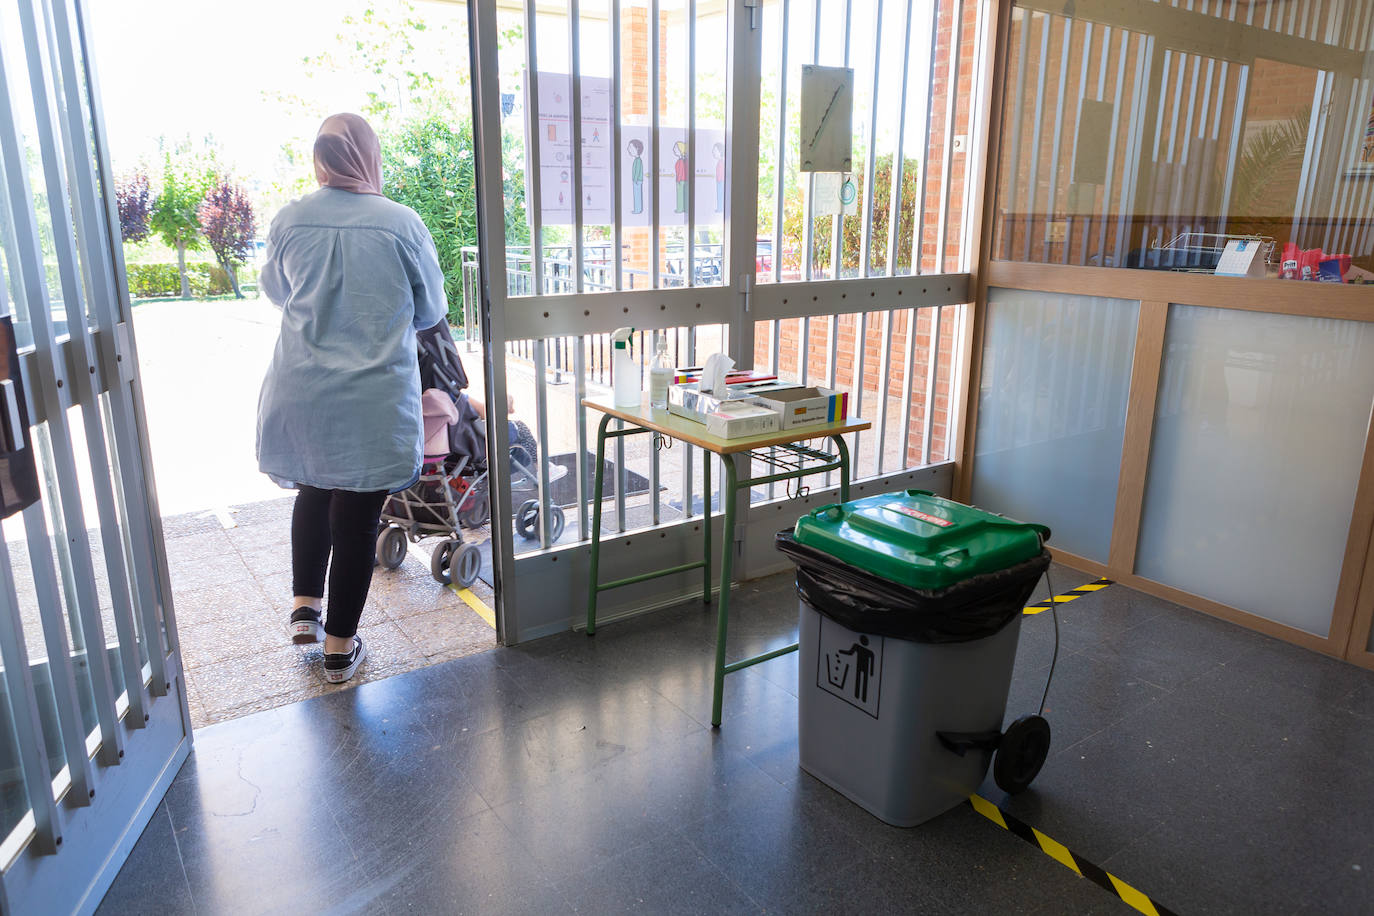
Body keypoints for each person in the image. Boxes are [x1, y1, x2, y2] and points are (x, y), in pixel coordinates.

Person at [257, 113, 448, 684]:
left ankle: (304, 608)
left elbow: (275, 291)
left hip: (302, 389)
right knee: (358, 516)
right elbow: (432, 310)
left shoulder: (289, 220)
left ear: (320, 157)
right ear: (369, 155)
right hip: (369, 396)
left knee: (313, 490)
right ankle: (340, 648)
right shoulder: (401, 224)